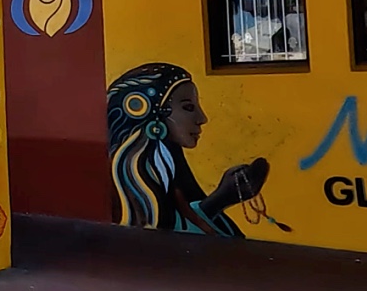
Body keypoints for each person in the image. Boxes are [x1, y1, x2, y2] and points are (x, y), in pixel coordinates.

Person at [106, 63, 268, 237]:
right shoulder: (126, 184)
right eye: (188, 107)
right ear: (155, 113)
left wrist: (223, 198)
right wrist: (221, 198)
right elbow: (166, 243)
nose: (202, 118)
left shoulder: (169, 170)